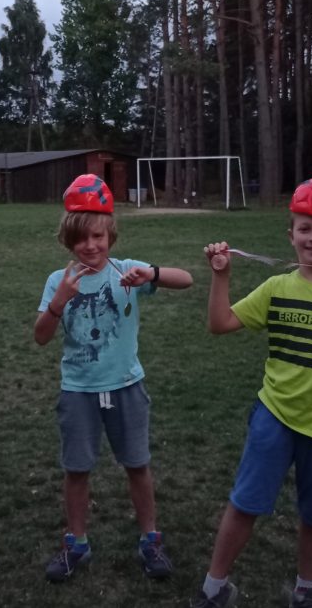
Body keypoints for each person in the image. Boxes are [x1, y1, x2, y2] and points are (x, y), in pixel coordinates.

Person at [191, 177, 312, 608]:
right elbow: (220, 324)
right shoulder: (276, 288)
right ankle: (214, 588)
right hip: (274, 417)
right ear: (291, 235)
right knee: (245, 503)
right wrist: (221, 277)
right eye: (305, 228)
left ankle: (305, 591)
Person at [34, 173, 193, 583]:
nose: (90, 246)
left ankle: (150, 539)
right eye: (81, 238)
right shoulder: (57, 281)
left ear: (110, 235)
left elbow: (186, 280)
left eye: (98, 236)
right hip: (78, 391)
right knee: (77, 469)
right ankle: (76, 543)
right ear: (68, 240)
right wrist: (58, 302)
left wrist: (151, 274)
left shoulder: (127, 271)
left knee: (137, 464)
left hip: (126, 386)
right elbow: (40, 337)